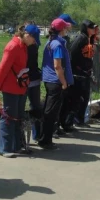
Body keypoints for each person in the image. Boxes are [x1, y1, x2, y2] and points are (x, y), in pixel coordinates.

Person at [0, 26, 35, 158]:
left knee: (18, 118)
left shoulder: (23, 46)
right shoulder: (12, 47)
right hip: (10, 88)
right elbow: (3, 68)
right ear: (27, 35)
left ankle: (17, 145)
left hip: (21, 88)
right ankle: (4, 148)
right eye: (34, 39)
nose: (35, 42)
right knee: (8, 118)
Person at [39, 18, 74, 149]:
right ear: (62, 30)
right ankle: (45, 140)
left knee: (48, 110)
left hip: (48, 79)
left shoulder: (50, 42)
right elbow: (57, 66)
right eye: (65, 28)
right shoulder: (58, 45)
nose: (67, 30)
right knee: (51, 112)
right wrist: (64, 82)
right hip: (56, 81)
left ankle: (43, 137)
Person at [68, 19, 99, 128]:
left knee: (84, 97)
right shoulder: (81, 38)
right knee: (78, 98)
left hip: (85, 73)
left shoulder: (88, 39)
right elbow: (72, 53)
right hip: (78, 73)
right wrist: (77, 68)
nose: (94, 30)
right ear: (86, 28)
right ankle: (74, 120)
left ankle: (80, 119)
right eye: (91, 27)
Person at [24, 23, 42, 142]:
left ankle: (36, 135)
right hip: (27, 80)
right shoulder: (24, 47)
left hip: (31, 80)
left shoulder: (31, 46)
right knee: (34, 108)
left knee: (35, 109)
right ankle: (34, 136)